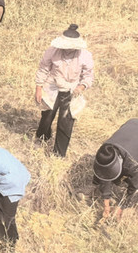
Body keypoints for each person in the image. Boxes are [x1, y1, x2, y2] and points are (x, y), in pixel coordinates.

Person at [34, 24, 94, 157]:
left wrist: (81, 86)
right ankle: (42, 138)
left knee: (66, 121)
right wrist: (38, 87)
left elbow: (88, 75)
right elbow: (43, 68)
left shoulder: (85, 55)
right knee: (47, 116)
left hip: (72, 89)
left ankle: (59, 153)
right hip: (53, 86)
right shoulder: (52, 51)